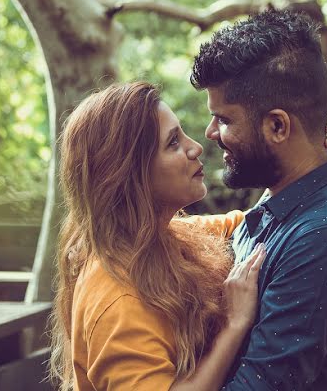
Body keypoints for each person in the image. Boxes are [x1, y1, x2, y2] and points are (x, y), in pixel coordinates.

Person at [190, 8, 327, 390]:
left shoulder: (324, 237)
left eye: (225, 119)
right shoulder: (282, 205)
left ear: (278, 126)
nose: (210, 132)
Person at [50, 81, 268, 390]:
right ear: (129, 174)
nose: (195, 147)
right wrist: (234, 325)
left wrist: (305, 156)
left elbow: (249, 221)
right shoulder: (117, 298)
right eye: (173, 143)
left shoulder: (159, 237)